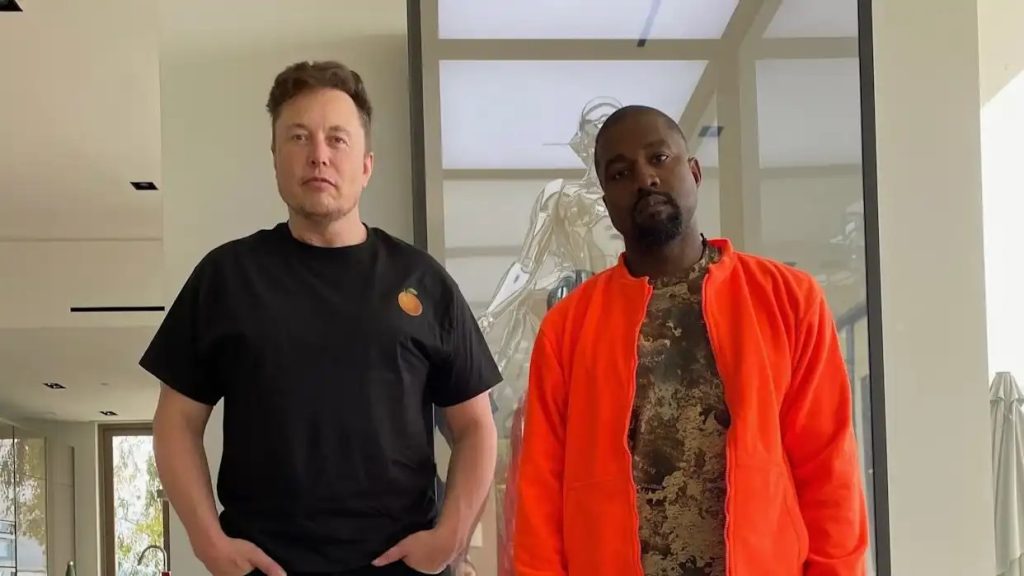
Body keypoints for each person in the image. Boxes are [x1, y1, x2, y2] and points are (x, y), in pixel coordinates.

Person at [143, 60, 501, 576]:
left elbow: (475, 426)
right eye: (298, 137)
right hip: (266, 567)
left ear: (366, 165)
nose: (318, 155)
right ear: (275, 159)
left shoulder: (423, 280)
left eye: (337, 139)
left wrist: (451, 538)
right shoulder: (227, 278)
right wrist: (208, 543)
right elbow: (176, 421)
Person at [513, 105, 868, 576]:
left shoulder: (787, 299)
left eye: (659, 158)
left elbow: (828, 470)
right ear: (607, 201)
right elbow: (540, 492)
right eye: (620, 173)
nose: (645, 178)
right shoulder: (567, 329)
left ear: (695, 172)